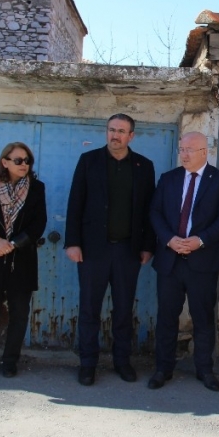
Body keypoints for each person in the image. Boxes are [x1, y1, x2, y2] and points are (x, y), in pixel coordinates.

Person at [65, 113, 156, 386]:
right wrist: (73, 242)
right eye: (111, 130)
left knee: (124, 310)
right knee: (90, 310)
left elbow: (150, 210)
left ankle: (122, 361)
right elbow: (75, 203)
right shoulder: (89, 161)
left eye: (121, 131)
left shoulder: (144, 166)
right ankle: (88, 364)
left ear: (131, 136)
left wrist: (147, 246)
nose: (114, 135)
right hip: (93, 250)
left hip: (128, 251)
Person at [148, 132, 219, 392]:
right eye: (181, 149)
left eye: (190, 150)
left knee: (203, 318)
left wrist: (201, 240)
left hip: (203, 261)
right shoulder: (169, 179)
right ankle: (163, 368)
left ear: (204, 153)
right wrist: (168, 239)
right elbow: (155, 212)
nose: (184, 154)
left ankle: (205, 369)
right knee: (166, 316)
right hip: (170, 260)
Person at [0, 142, 47, 378]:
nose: (24, 164)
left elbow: (38, 224)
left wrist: (12, 244)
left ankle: (10, 360)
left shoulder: (37, 188)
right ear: (5, 162)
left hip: (21, 259)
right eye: (18, 160)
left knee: (19, 313)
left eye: (27, 161)